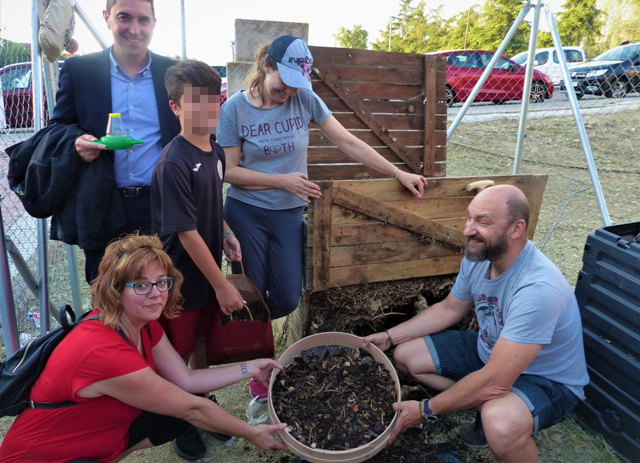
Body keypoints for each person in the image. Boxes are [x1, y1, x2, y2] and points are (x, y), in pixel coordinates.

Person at [219, 35, 428, 398]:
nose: (289, 94)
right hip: (246, 213)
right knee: (253, 300)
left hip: (287, 215)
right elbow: (228, 172)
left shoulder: (304, 98)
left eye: (296, 86)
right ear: (267, 65)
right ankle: (258, 383)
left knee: (284, 298)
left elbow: (348, 141)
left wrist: (397, 173)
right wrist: (282, 180)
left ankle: (244, 331)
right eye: (283, 85)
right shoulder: (234, 109)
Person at [0, 235, 287, 462]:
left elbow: (186, 381)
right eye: (141, 285)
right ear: (115, 290)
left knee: (170, 416)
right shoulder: (102, 351)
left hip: (93, 438)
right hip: (43, 456)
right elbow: (192, 408)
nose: (157, 294)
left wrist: (252, 366)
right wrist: (252, 433)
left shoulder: (142, 322)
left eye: (162, 282)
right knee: (184, 410)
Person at [363, 185, 589, 463]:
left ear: (516, 229)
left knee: (500, 424)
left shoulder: (538, 289)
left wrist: (425, 409)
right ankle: (482, 399)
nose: (469, 229)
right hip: (491, 351)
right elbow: (449, 308)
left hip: (547, 379)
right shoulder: (480, 256)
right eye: (469, 218)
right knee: (406, 355)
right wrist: (389, 336)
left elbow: (495, 380)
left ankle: (494, 406)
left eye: (482, 221)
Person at [50, 0, 180, 284]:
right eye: (124, 17)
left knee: (160, 292)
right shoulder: (78, 70)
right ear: (107, 17)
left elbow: (200, 135)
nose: (134, 29)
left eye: (143, 20)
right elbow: (58, 128)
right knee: (108, 293)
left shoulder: (177, 72)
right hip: (104, 203)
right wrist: (75, 142)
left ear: (154, 24)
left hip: (160, 205)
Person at [151, 60, 246, 458]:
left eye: (214, 99)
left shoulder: (216, 150)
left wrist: (225, 232)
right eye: (196, 101)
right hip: (180, 280)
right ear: (175, 107)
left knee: (204, 344)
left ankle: (203, 405)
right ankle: (177, 422)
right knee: (179, 352)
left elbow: (211, 206)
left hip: (209, 273)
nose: (208, 108)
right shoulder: (172, 163)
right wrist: (223, 284)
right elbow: (186, 233)